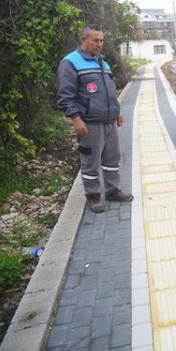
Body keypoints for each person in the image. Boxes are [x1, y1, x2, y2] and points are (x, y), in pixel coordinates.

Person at [56, 24, 134, 213]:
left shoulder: (102, 63)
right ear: (83, 40)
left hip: (109, 121)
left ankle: (112, 190)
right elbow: (66, 95)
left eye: (101, 40)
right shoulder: (71, 62)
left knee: (112, 158)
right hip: (89, 123)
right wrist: (76, 119)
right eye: (95, 40)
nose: (99, 44)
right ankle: (93, 196)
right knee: (90, 161)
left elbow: (109, 91)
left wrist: (116, 112)